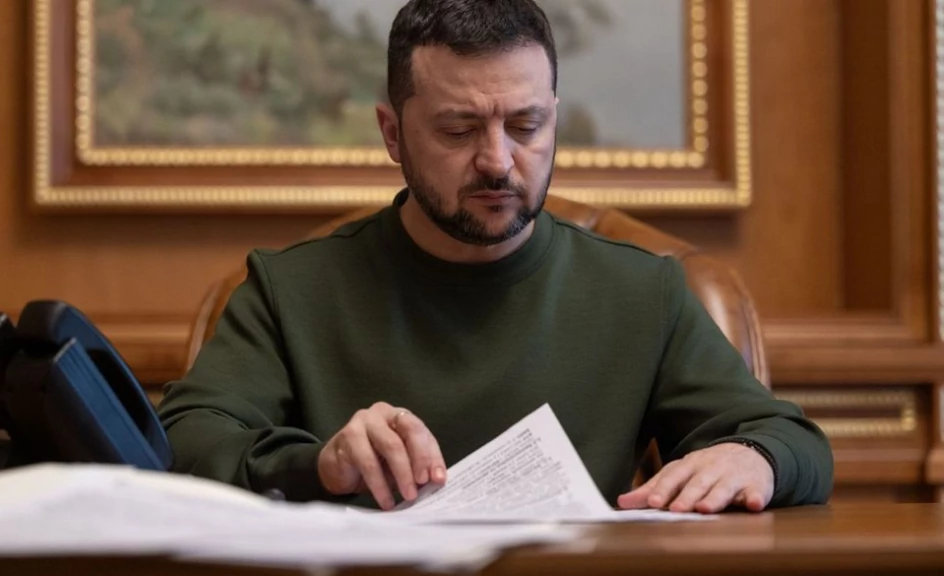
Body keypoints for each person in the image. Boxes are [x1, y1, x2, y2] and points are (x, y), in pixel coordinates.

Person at [157, 0, 833, 514]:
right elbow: (182, 441)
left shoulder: (641, 291)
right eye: (459, 129)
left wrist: (757, 458)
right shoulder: (290, 289)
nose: (498, 160)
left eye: (525, 125)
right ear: (392, 133)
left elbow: (791, 439)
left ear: (554, 118)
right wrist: (317, 466)